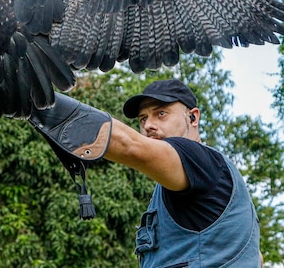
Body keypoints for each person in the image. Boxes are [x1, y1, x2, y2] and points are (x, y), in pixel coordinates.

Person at [29, 78, 262, 267]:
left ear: (193, 117)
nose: (148, 125)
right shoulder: (218, 182)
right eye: (143, 118)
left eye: (161, 113)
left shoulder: (197, 158)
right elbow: (257, 258)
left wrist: (32, 101)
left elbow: (132, 147)